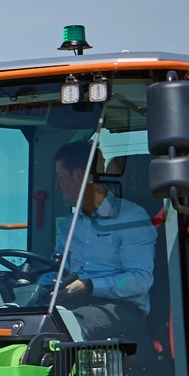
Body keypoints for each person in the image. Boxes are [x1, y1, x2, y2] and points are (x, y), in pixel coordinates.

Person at [43, 139, 159, 342]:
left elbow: (138, 279)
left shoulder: (130, 218)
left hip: (122, 307)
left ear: (79, 175)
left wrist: (89, 285)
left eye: (60, 178)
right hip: (77, 302)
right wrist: (37, 287)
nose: (57, 186)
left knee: (67, 326)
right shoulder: (69, 225)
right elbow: (58, 268)